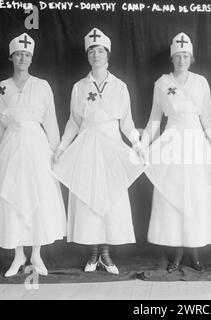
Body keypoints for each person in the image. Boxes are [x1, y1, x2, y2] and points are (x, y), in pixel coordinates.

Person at [52, 28, 144, 274]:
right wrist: (61, 147)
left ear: (108, 55)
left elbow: (127, 122)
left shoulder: (120, 86)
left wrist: (137, 143)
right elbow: (73, 121)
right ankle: (93, 254)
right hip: (87, 146)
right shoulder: (79, 87)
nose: (96, 55)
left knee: (111, 198)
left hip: (111, 147)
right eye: (92, 51)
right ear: (87, 56)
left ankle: (106, 254)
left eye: (100, 51)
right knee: (88, 197)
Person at [0, 33, 66, 277]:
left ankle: (36, 254)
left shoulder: (42, 86)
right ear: (11, 57)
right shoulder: (2, 89)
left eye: (27, 55)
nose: (23, 58)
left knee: (38, 195)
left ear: (31, 58)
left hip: (36, 148)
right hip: (11, 148)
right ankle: (18, 255)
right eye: (19, 54)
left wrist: (56, 150)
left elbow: (51, 122)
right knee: (14, 197)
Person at [139, 32, 211, 273]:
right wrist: (142, 145)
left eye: (186, 56)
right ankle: (175, 252)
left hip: (196, 144)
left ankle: (194, 252)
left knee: (196, 196)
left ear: (191, 57)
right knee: (172, 195)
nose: (182, 60)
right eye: (178, 56)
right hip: (171, 145)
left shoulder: (201, 82)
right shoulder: (162, 84)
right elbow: (154, 120)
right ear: (172, 58)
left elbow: (207, 119)